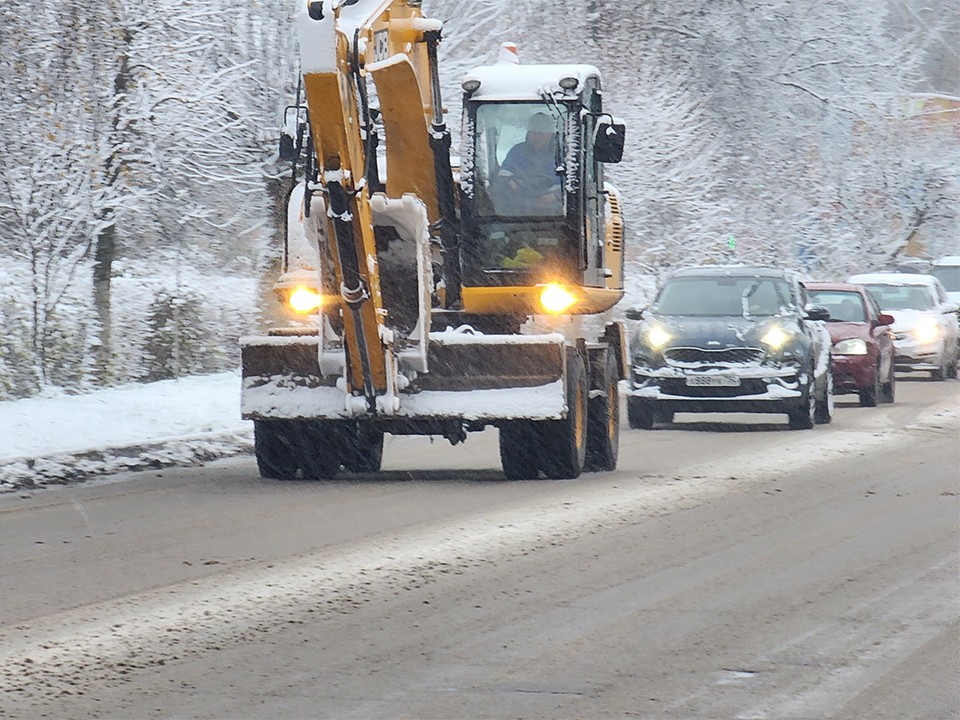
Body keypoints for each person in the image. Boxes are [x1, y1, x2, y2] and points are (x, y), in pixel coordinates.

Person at [495, 112, 562, 214]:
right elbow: (504, 174)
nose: (537, 137)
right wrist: (511, 182)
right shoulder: (517, 152)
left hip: (555, 211)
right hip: (518, 208)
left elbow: (574, 184)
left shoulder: (563, 154)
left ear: (551, 134)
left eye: (542, 133)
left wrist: (555, 196)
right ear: (528, 133)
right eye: (534, 132)